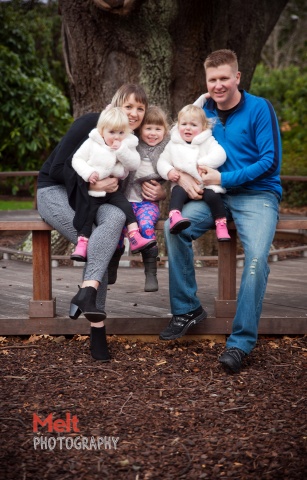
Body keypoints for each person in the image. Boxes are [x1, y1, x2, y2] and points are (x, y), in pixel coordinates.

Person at [159, 49, 282, 374]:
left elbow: (269, 161)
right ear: (207, 80)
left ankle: (240, 343)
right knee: (175, 228)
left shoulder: (259, 108)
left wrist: (224, 177)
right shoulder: (201, 111)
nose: (218, 84)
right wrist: (182, 176)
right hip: (216, 195)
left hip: (257, 195)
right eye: (213, 79)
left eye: (225, 78)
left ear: (237, 77)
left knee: (256, 258)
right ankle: (186, 308)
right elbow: (177, 149)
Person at [37, 84, 164, 362]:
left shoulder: (127, 141)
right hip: (54, 192)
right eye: (127, 106)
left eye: (139, 109)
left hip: (95, 199)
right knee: (99, 239)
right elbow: (58, 169)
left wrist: (161, 191)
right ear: (115, 103)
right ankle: (97, 330)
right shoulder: (89, 124)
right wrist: (95, 180)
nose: (133, 114)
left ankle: (87, 291)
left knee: (117, 218)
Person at [70, 106, 156, 262]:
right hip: (93, 190)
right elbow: (77, 159)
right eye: (112, 132)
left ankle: (134, 236)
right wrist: (88, 173)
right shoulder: (92, 142)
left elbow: (133, 164)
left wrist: (121, 150)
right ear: (102, 131)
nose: (117, 137)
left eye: (121, 133)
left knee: (126, 208)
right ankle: (82, 244)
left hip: (113, 191)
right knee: (87, 215)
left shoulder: (126, 145)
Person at [116, 105, 170, 292]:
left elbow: (174, 173)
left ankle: (151, 272)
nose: (153, 133)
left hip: (147, 202)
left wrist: (163, 192)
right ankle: (112, 264)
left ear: (165, 131)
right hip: (124, 201)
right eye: (148, 128)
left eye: (158, 129)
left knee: (147, 225)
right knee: (116, 227)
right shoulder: (133, 144)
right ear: (140, 130)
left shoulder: (168, 149)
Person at [157, 104, 230, 241]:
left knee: (214, 197)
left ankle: (221, 224)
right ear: (178, 126)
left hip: (205, 184)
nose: (188, 128)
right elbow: (162, 161)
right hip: (184, 187)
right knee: (177, 192)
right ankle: (175, 216)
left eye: (193, 125)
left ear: (203, 127)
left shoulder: (207, 141)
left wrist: (203, 163)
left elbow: (220, 154)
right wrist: (169, 171)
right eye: (184, 124)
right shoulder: (174, 144)